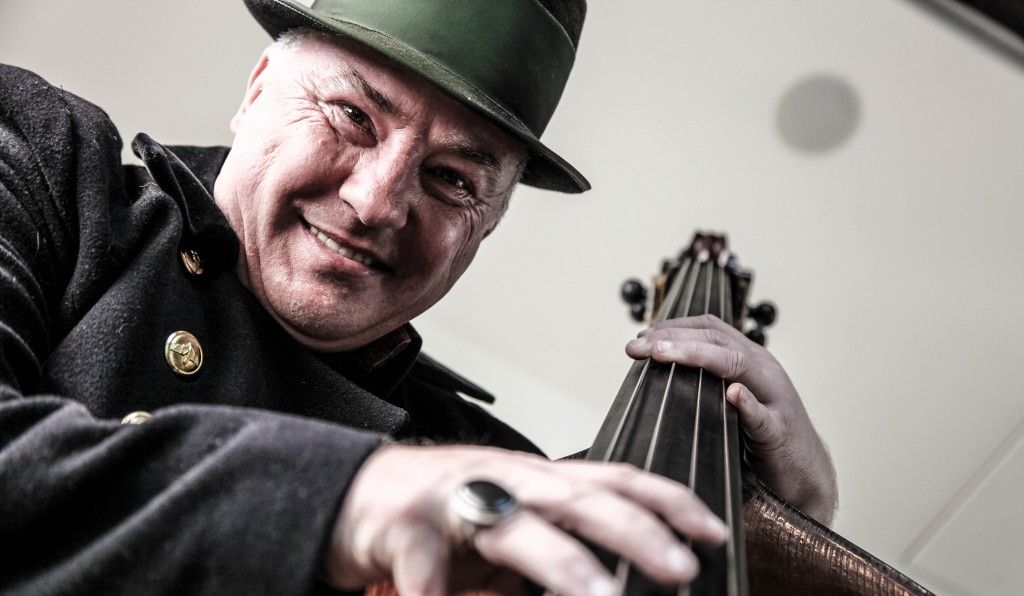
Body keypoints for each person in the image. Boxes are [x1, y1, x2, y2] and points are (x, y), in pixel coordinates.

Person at [0, 0, 837, 594]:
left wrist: (787, 540)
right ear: (257, 88)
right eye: (352, 117)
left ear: (488, 225)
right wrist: (344, 498)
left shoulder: (492, 476)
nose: (377, 202)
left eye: (452, 179)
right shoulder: (43, 159)